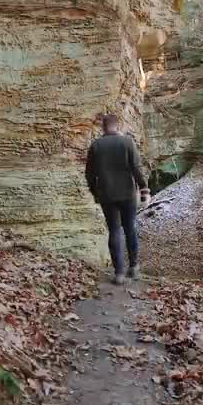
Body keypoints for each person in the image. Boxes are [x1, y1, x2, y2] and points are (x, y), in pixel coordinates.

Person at [84, 114, 150, 283]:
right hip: (127, 193)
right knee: (130, 228)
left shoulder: (96, 146)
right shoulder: (127, 142)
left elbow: (89, 174)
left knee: (114, 230)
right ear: (117, 126)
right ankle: (133, 267)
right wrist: (144, 187)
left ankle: (119, 273)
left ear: (103, 127)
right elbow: (136, 167)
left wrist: (95, 192)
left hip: (107, 195)